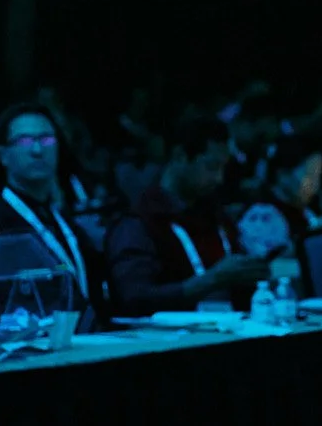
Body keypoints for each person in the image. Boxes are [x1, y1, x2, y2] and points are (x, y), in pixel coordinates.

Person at [104, 116, 269, 315]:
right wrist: (211, 280)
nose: (219, 179)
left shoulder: (216, 218)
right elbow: (135, 298)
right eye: (211, 167)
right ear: (180, 156)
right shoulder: (139, 224)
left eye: (223, 168)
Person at [0, 104, 100, 309]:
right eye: (24, 141)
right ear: (3, 154)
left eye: (47, 139)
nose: (37, 150)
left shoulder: (61, 219)